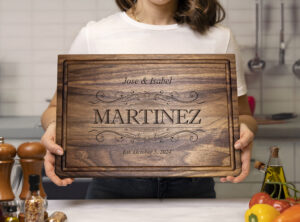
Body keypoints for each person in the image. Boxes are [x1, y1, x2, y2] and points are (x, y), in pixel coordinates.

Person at [41, 0, 257, 199]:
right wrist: (54, 126)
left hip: (192, 189)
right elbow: (54, 109)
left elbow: (243, 115)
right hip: (112, 190)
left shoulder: (220, 39)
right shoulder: (94, 35)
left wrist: (245, 130)